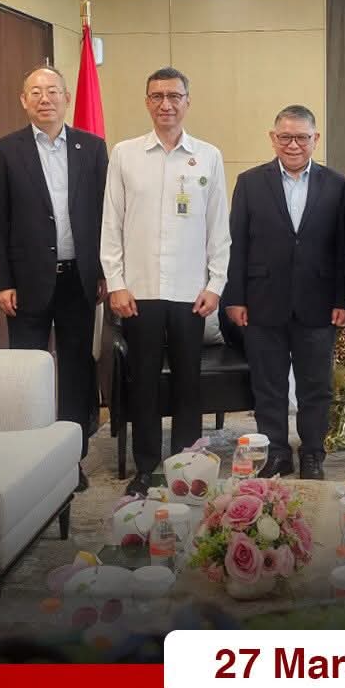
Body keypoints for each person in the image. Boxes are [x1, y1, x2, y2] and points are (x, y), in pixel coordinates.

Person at [100, 67, 230, 496]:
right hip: (139, 292)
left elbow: (218, 227)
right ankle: (146, 467)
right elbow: (111, 223)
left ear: (188, 102)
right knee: (144, 384)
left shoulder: (208, 155)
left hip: (191, 293)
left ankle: (186, 466)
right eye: (157, 96)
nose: (166, 104)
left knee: (188, 384)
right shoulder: (125, 153)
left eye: (174, 96)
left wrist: (215, 284)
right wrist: (116, 282)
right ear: (146, 102)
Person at [0, 66, 108, 490]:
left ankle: (71, 459)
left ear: (67, 97)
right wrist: (1, 282)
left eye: (52, 91)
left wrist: (104, 272)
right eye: (35, 92)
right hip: (26, 281)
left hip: (79, 278)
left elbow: (104, 215)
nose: (45, 99)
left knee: (76, 370)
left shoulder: (92, 148)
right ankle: (30, 457)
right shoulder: (5, 150)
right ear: (24, 101)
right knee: (28, 373)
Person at [225, 105, 345, 480]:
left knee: (316, 386)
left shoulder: (338, 184)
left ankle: (313, 453)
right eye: (285, 137)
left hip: (319, 302)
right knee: (269, 386)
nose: (293, 145)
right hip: (262, 300)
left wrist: (342, 299)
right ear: (272, 138)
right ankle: (276, 452)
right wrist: (235, 297)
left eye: (301, 137)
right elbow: (237, 243)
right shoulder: (250, 182)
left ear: (315, 139)